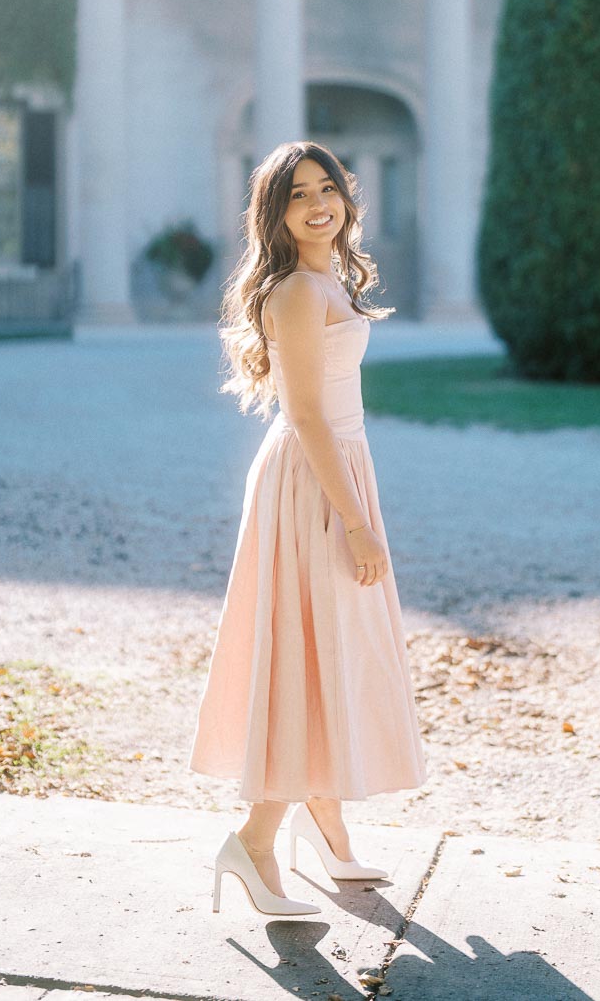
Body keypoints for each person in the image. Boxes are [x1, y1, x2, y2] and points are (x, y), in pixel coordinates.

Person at [188, 140, 427, 916]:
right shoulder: (295, 290)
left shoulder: (329, 279)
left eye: (328, 187)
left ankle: (325, 825)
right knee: (309, 649)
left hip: (340, 467)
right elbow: (304, 413)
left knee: (336, 646)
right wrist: (356, 524)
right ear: (276, 213)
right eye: (298, 195)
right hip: (312, 482)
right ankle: (254, 842)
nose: (319, 203)